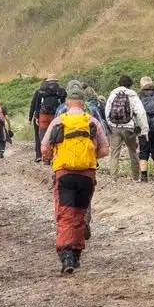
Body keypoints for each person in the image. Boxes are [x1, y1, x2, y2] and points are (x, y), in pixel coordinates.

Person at [42, 82, 110, 274]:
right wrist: (89, 156)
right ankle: (77, 254)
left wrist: (53, 156)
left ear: (67, 102)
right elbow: (105, 150)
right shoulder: (92, 121)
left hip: (64, 173)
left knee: (65, 215)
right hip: (87, 175)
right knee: (80, 214)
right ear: (83, 103)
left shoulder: (59, 121)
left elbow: (44, 147)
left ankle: (67, 256)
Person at [104, 75, 149, 179]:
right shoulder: (132, 96)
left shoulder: (112, 95)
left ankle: (113, 177)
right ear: (130, 85)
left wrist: (111, 124)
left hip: (115, 128)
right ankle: (136, 176)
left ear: (119, 84)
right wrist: (144, 130)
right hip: (129, 128)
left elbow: (107, 111)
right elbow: (141, 113)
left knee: (114, 154)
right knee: (133, 152)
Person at [29, 74, 67, 163]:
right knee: (55, 135)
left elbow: (36, 105)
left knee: (43, 136)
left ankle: (45, 157)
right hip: (55, 116)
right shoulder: (61, 91)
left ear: (47, 81)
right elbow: (63, 104)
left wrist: (36, 117)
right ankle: (54, 156)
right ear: (56, 81)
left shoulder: (41, 91)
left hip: (43, 115)